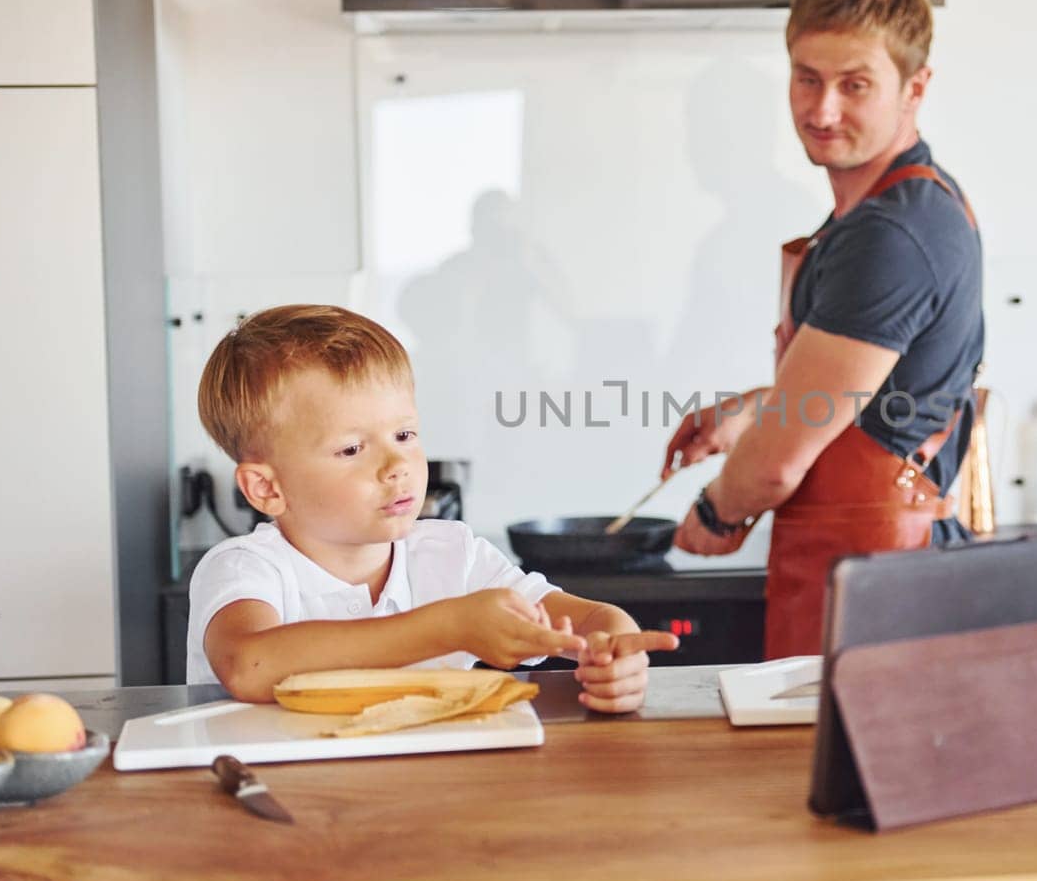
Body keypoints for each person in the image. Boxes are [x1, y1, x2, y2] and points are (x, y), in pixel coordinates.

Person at [663, 0, 985, 659]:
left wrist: (718, 510)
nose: (822, 109)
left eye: (855, 84)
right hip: (866, 575)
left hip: (875, 591)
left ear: (915, 89)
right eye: (807, 78)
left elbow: (779, 463)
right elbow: (864, 397)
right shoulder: (889, 214)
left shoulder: (889, 235)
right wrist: (751, 409)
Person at [187, 303, 677, 711]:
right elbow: (248, 666)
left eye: (404, 435)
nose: (397, 464)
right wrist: (448, 625)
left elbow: (588, 620)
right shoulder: (245, 568)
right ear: (266, 488)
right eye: (352, 449)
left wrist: (613, 646)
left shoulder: (452, 553)